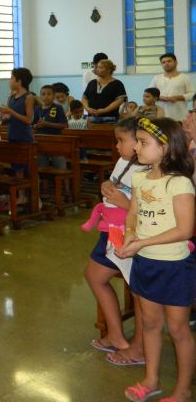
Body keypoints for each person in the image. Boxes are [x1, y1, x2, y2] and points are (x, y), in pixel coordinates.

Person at [117, 118, 196, 402]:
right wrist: (129, 234)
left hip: (174, 266)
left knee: (178, 329)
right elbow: (133, 214)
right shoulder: (140, 178)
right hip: (145, 263)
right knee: (150, 324)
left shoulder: (179, 183)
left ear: (165, 147)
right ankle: (151, 379)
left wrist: (142, 243)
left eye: (143, 142)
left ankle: (183, 389)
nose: (136, 147)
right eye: (137, 141)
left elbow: (184, 230)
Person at [83, 117, 146, 367]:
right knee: (93, 275)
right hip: (111, 231)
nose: (117, 146)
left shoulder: (148, 169)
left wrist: (124, 202)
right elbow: (116, 184)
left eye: (122, 140)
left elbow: (148, 212)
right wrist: (107, 186)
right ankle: (116, 336)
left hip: (131, 234)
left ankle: (139, 348)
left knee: (140, 294)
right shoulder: (124, 161)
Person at [149, 53, 195, 121]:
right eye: (163, 62)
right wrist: (160, 97)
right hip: (160, 116)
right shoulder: (157, 78)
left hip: (180, 116)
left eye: (169, 61)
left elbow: (192, 94)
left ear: (176, 62)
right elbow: (150, 94)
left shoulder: (184, 77)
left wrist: (176, 98)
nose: (166, 64)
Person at [82, 59, 127, 124]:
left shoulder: (117, 84)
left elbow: (119, 100)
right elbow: (84, 98)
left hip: (110, 118)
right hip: (91, 118)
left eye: (100, 67)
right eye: (97, 67)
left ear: (108, 70)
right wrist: (87, 108)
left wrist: (104, 110)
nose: (97, 69)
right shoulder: (92, 83)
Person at [0, 68, 35, 144]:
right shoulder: (11, 96)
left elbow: (29, 120)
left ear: (19, 81)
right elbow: (9, 116)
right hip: (11, 136)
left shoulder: (28, 97)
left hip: (24, 138)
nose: (9, 81)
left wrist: (11, 112)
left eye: (12, 78)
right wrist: (3, 116)